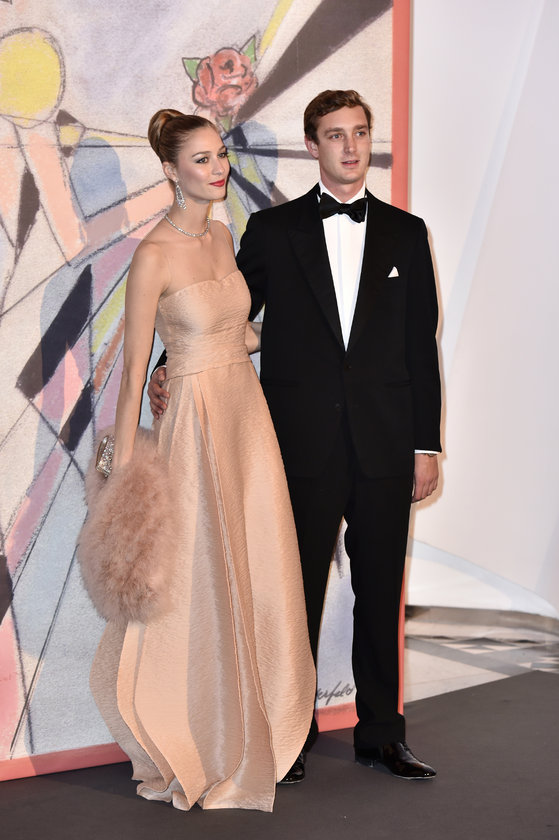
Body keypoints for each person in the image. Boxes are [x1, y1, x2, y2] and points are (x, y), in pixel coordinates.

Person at [149, 90, 441, 780]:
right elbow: (222, 311)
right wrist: (168, 362)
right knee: (294, 593)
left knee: (381, 592)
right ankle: (290, 733)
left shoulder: (406, 232)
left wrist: (425, 445)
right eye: (335, 135)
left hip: (385, 444)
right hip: (298, 445)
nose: (350, 146)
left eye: (359, 132)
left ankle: (382, 734)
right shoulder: (274, 231)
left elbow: (419, 345)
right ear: (312, 146)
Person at [89, 109, 315, 812]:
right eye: (201, 160)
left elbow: (235, 330)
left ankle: (256, 722)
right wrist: (125, 472)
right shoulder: (153, 255)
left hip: (245, 417)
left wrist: (289, 334)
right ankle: (199, 735)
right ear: (170, 170)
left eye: (220, 156)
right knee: (198, 574)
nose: (217, 170)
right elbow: (134, 370)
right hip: (192, 423)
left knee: (254, 559)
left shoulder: (222, 236)